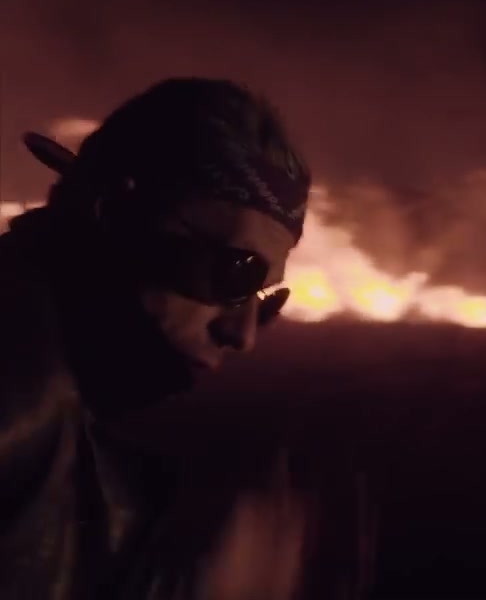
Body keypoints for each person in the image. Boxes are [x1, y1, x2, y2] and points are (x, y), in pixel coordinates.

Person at [0, 78, 314, 598]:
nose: (243, 335)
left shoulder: (60, 409)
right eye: (235, 274)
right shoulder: (17, 393)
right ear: (115, 215)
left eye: (265, 301)